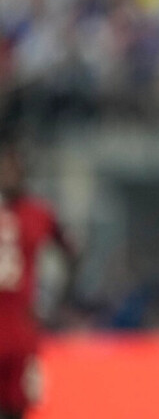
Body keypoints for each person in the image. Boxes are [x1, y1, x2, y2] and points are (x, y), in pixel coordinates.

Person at [0, 138, 79, 419]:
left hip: (21, 327)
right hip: (17, 325)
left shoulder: (38, 212)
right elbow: (72, 251)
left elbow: (72, 251)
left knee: (18, 406)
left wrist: (54, 301)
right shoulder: (37, 213)